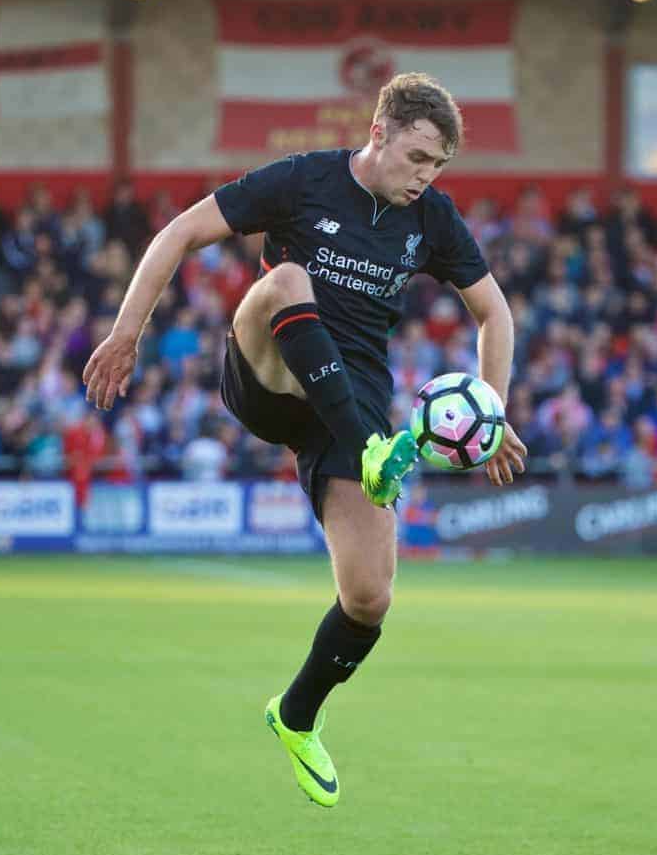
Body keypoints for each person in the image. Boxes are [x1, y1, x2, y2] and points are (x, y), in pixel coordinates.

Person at [83, 73, 528, 807]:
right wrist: (127, 333)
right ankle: (372, 449)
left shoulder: (433, 221)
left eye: (439, 166)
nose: (426, 177)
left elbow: (496, 316)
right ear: (379, 132)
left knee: (370, 595)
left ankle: (297, 714)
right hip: (266, 370)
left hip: (344, 407)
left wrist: (495, 405)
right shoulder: (303, 180)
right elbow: (181, 231)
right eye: (417, 157)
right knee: (288, 276)